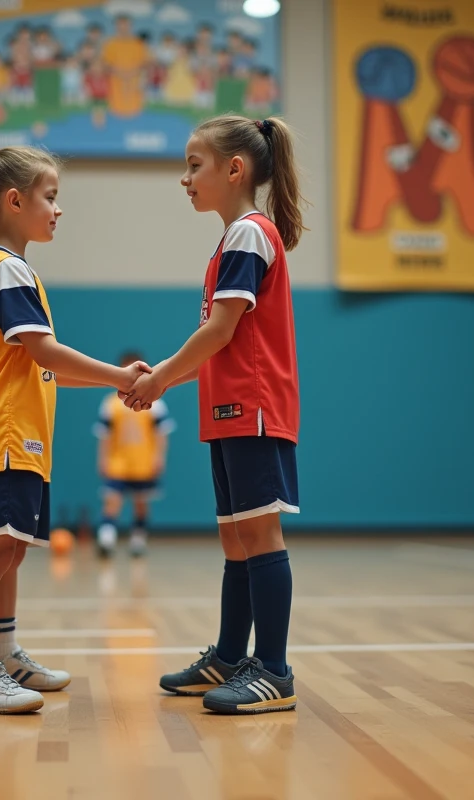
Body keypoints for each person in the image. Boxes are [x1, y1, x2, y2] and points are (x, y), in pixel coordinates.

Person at [0, 143, 149, 714]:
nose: (58, 210)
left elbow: (42, 364)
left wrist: (113, 383)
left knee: (12, 550)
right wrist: (118, 375)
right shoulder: (5, 269)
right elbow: (46, 350)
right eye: (50, 197)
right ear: (14, 201)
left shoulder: (20, 271)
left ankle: (4, 655)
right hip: (0, 435)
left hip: (25, 438)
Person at [123, 115, 305, 715]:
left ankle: (273, 670)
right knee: (235, 538)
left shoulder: (250, 234)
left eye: (194, 165)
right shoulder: (232, 240)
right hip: (228, 411)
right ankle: (231, 656)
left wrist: (160, 380)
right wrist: (169, 381)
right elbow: (220, 339)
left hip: (253, 408)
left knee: (259, 533)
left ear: (235, 169)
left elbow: (220, 331)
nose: (185, 179)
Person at [94, 350, 174, 557]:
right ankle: (106, 539)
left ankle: (138, 540)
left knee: (141, 503)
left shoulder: (155, 402)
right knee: (112, 500)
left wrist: (159, 457)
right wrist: (102, 459)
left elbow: (161, 433)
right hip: (118, 461)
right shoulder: (110, 403)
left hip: (143, 461)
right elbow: (105, 435)